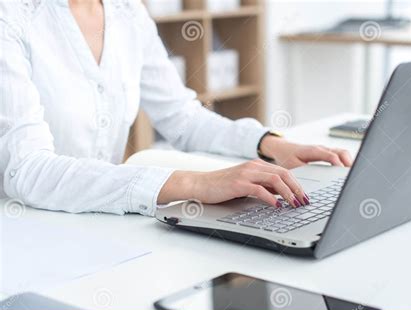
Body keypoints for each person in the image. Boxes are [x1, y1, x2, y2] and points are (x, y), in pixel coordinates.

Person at [0, 0, 352, 216]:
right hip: (26, 231)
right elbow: (27, 171)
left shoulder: (127, 12)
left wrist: (271, 145)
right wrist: (195, 184)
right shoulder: (11, 15)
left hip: (96, 220)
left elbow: (182, 118)